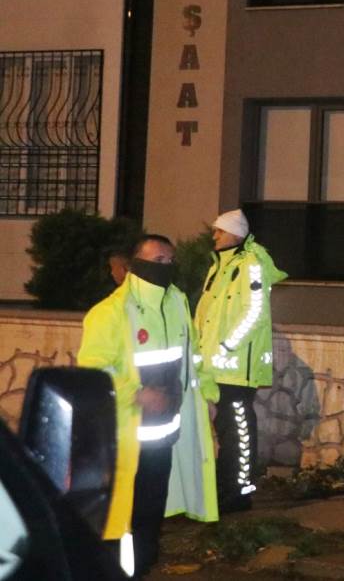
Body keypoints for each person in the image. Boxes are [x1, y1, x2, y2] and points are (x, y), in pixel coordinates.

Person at [78, 234, 219, 578]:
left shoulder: (177, 303)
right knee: (122, 510)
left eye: (170, 261)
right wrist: (136, 393)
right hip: (126, 435)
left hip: (165, 432)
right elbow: (93, 368)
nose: (166, 266)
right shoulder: (110, 312)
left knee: (152, 505)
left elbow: (193, 355)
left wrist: (208, 394)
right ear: (136, 264)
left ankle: (142, 563)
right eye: (158, 260)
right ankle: (119, 569)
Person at [194, 209, 286, 514]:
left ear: (234, 233)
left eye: (219, 231)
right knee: (227, 431)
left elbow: (255, 312)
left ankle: (238, 493)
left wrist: (226, 346)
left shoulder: (250, 264)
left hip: (236, 369)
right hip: (216, 368)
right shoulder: (219, 266)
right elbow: (206, 314)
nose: (214, 236)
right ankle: (225, 489)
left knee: (238, 431)